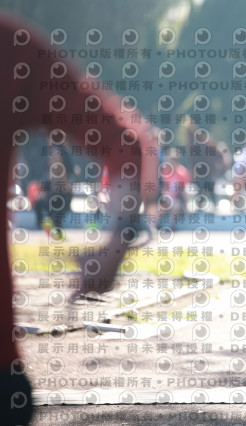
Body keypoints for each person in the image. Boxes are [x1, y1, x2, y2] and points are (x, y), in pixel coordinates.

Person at [1, 12, 156, 424]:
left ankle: (52, 230)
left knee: (51, 214)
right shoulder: (11, 45)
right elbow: (127, 143)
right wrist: (114, 245)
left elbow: (125, 145)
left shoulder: (11, 47)